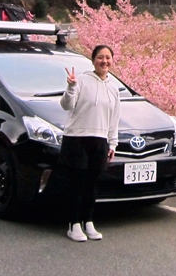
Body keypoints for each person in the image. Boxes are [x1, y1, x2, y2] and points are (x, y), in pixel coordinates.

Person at [60, 44, 121, 242]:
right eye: (100, 57)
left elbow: (114, 117)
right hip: (77, 138)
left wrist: (112, 143)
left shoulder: (113, 87)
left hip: (100, 140)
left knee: (92, 184)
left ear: (112, 60)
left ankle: (88, 221)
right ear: (93, 60)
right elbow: (66, 105)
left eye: (108, 58)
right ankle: (73, 224)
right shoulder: (82, 80)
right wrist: (71, 87)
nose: (104, 61)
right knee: (77, 183)